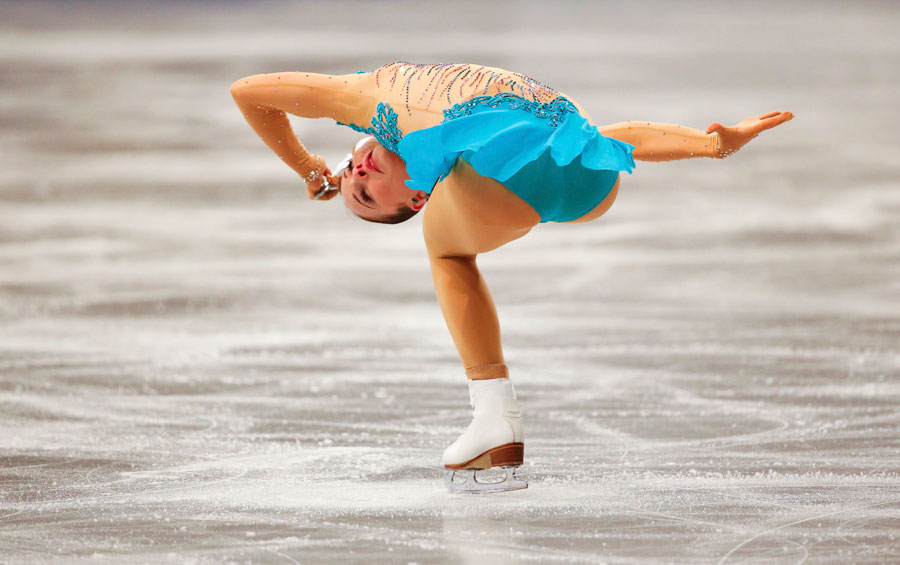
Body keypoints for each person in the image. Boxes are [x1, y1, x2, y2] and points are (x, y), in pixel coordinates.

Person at [230, 61, 793, 493]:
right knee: (504, 175)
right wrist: (710, 146)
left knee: (454, 249)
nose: (356, 172)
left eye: (349, 171)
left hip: (575, 176)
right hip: (581, 187)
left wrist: (313, 172)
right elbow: (610, 141)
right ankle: (492, 421)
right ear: (420, 196)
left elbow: (246, 93)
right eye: (364, 195)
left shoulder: (356, 96)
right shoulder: (371, 97)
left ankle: (495, 417)